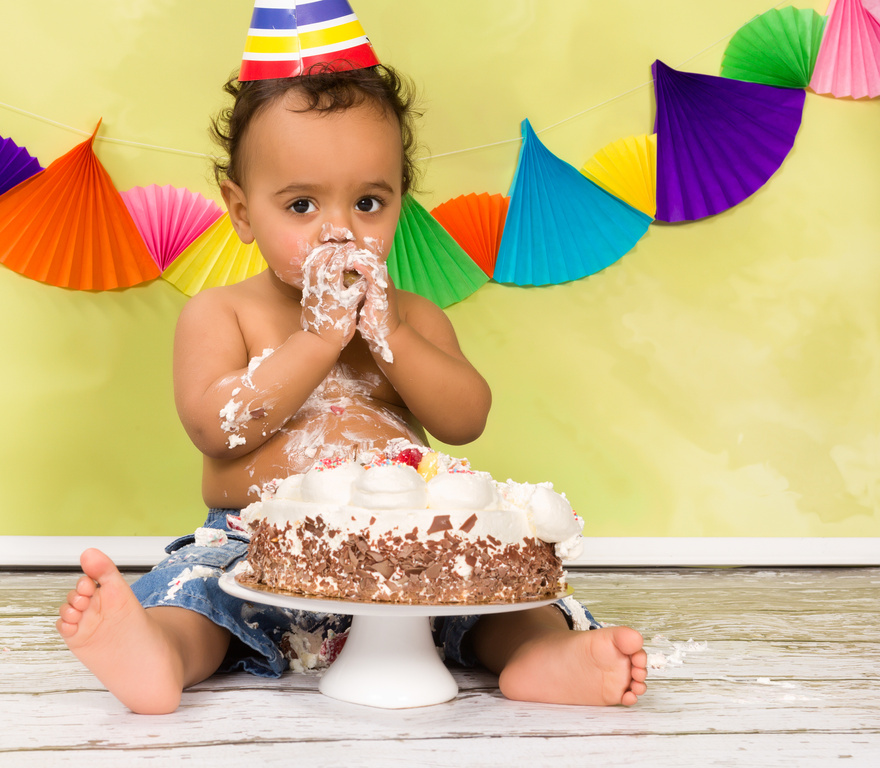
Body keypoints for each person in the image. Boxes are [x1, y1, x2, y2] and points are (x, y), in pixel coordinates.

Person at [56, 63, 647, 715]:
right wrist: (315, 342)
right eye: (301, 204)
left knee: (497, 605)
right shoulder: (223, 313)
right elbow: (213, 423)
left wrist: (389, 334)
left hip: (412, 550)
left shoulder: (412, 316)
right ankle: (159, 654)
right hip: (260, 545)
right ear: (242, 210)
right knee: (201, 596)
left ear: (399, 202)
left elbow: (466, 418)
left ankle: (545, 659)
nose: (338, 230)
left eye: (368, 202)